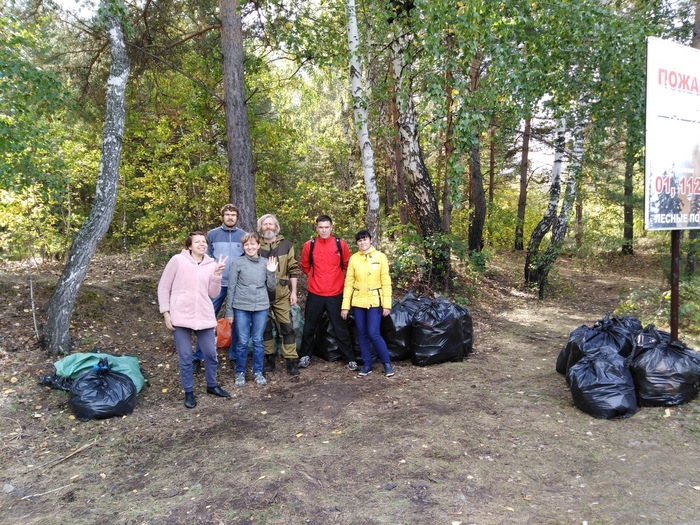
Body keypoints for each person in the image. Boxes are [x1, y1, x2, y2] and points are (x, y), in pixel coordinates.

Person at [158, 231, 231, 408]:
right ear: (189, 245)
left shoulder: (211, 263)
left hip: (204, 316)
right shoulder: (177, 260)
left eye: (204, 242)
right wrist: (166, 312)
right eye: (197, 242)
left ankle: (212, 386)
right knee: (185, 357)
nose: (201, 244)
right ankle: (189, 392)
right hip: (180, 315)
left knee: (210, 354)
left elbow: (213, 293)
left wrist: (216, 274)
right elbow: (163, 287)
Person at [298, 214, 357, 370]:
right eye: (321, 227)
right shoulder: (309, 245)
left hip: (335, 293)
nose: (324, 230)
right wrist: (313, 277)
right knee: (310, 326)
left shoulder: (340, 245)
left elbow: (347, 266)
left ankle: (349, 359)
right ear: (316, 228)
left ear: (331, 227)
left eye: (326, 227)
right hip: (315, 293)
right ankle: (305, 356)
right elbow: (305, 266)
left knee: (341, 327)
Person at [192, 204, 245, 372]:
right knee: (207, 320)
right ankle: (198, 357)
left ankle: (234, 356)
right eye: (227, 214)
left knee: (236, 321)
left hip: (237, 286)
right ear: (222, 216)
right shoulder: (212, 235)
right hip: (216, 284)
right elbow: (205, 257)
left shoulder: (243, 236)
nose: (230, 217)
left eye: (233, 215)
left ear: (237, 217)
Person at [225, 232, 278, 387]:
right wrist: (229, 311)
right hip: (241, 306)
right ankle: (240, 372)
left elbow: (271, 287)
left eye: (252, 244)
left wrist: (272, 272)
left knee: (258, 340)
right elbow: (231, 287)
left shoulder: (265, 262)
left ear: (258, 245)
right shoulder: (238, 262)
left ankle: (258, 371)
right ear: (243, 246)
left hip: (260, 306)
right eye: (246, 244)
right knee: (242, 341)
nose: (250, 247)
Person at [341, 230, 395, 377]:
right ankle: (367, 365)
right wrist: (345, 306)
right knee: (362, 334)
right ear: (357, 243)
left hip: (374, 302)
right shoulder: (353, 259)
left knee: (374, 333)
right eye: (359, 240)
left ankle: (387, 364)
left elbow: (386, 282)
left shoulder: (380, 257)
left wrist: (387, 304)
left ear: (371, 240)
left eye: (365, 239)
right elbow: (349, 283)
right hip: (358, 302)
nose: (362, 242)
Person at [257, 214, 302, 376]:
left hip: (282, 294)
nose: (268, 227)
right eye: (265, 224)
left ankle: (291, 360)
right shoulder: (255, 245)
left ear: (276, 227)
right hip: (261, 295)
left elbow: (293, 269)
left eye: (271, 224)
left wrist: (294, 292)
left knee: (287, 328)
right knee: (265, 329)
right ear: (261, 227)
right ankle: (269, 358)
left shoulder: (286, 245)